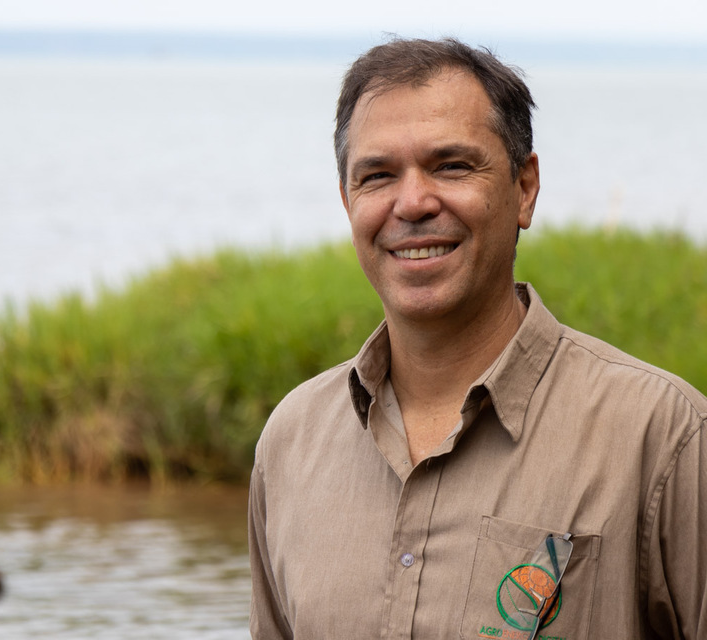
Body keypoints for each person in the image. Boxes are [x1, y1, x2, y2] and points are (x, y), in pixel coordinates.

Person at [248, 37, 707, 639]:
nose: (411, 203)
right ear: (347, 201)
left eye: (451, 166)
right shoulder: (291, 442)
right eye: (378, 175)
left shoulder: (664, 438)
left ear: (524, 188)